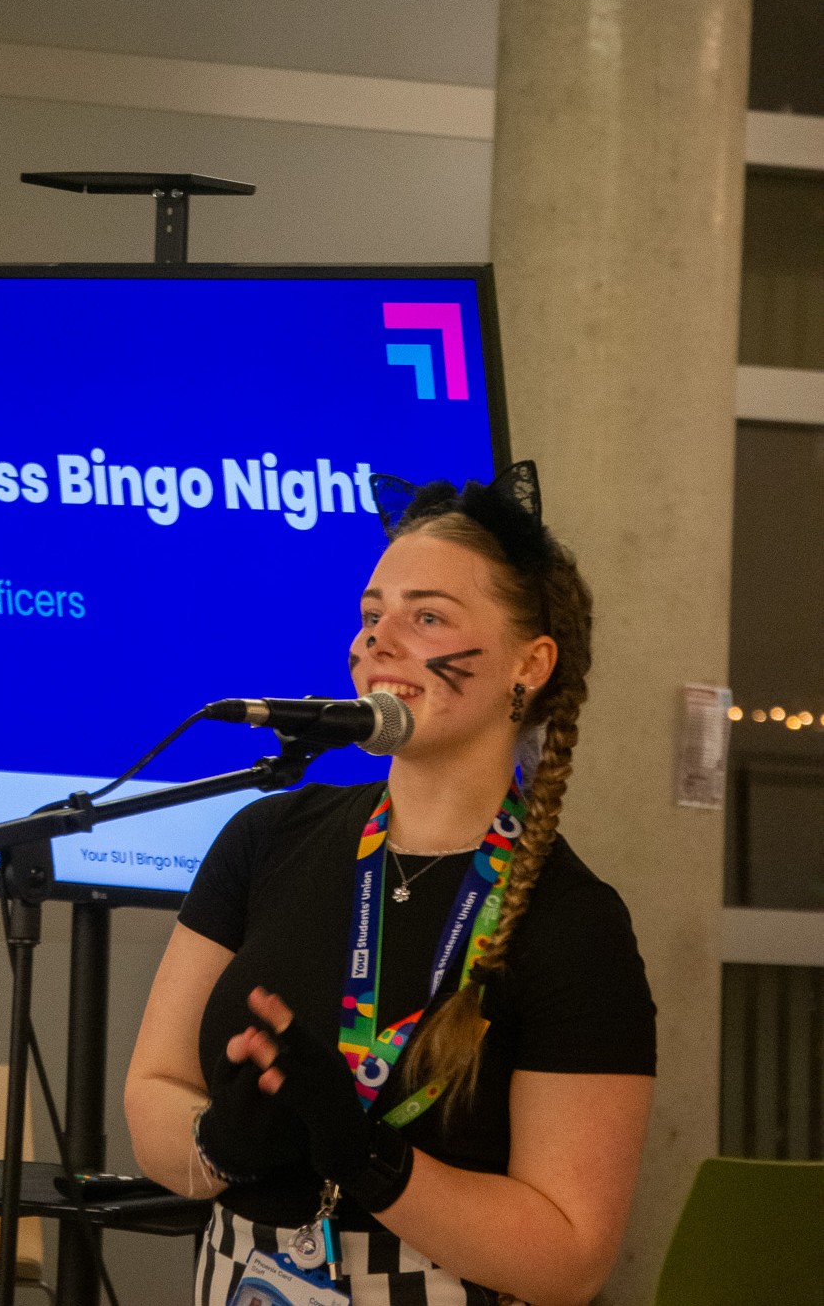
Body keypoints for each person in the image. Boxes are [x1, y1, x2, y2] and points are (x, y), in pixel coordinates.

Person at [124, 462, 656, 1306]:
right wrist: (221, 1140)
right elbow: (153, 1091)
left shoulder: (574, 923)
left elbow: (571, 1255)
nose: (377, 639)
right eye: (372, 615)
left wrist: (370, 1159)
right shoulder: (264, 838)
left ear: (530, 662)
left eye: (427, 617)